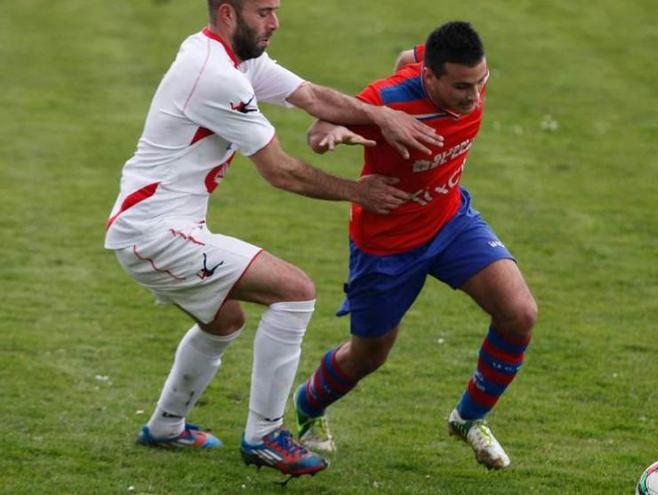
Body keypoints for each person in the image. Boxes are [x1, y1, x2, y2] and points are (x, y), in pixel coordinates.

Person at [103, 0, 443, 482]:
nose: (275, 22)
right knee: (295, 290)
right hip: (154, 233)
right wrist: (356, 192)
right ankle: (265, 436)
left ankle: (165, 426)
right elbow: (279, 171)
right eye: (263, 11)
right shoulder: (215, 76)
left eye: (275, 10)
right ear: (227, 13)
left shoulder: (237, 59)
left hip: (160, 227)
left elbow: (314, 96)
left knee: (225, 320)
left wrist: (378, 116)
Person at [295, 21, 538, 470]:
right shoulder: (389, 99)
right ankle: (308, 407)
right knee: (369, 354)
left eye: (481, 82)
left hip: (450, 220)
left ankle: (469, 418)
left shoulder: (436, 62)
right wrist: (329, 135)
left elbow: (409, 57)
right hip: (386, 243)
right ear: (431, 79)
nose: (474, 97)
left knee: (519, 313)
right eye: (462, 86)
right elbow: (320, 126)